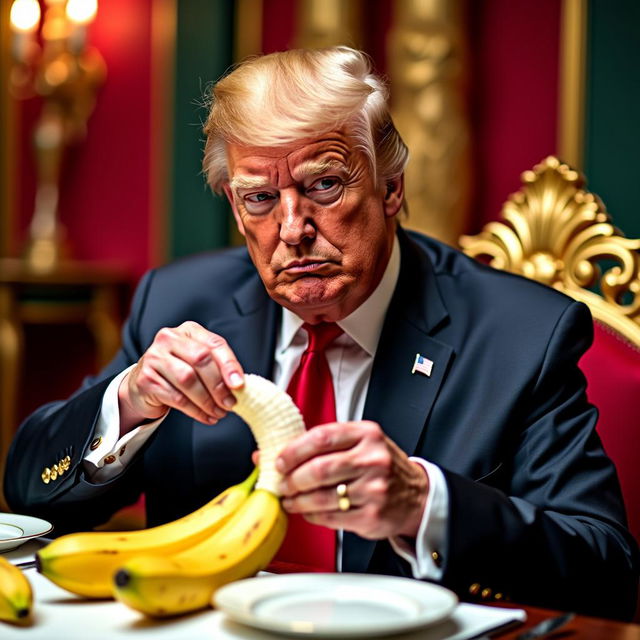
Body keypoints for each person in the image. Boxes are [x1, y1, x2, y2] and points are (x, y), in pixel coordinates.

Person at [5, 46, 638, 620]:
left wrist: (426, 504)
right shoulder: (176, 301)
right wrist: (128, 402)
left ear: (390, 187)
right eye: (259, 198)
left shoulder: (522, 334)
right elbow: (29, 491)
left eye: (325, 185)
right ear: (233, 202)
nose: (292, 230)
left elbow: (607, 572)